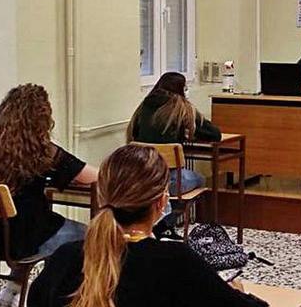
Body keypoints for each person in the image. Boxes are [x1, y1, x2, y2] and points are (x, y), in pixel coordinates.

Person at [27, 145, 265, 307]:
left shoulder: (64, 258)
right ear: (162, 201)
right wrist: (241, 294)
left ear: (101, 196)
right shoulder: (175, 262)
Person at [0, 84, 98, 307]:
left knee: (26, 225)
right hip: (26, 239)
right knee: (91, 236)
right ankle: (65, 296)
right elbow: (93, 176)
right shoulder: (42, 151)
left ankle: (10, 293)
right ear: (42, 117)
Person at [126, 72, 220, 237]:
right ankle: (165, 223)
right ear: (181, 89)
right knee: (201, 179)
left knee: (165, 187)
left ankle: (158, 222)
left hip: (141, 177)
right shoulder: (182, 107)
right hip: (171, 180)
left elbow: (134, 133)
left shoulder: (143, 106)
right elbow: (214, 134)